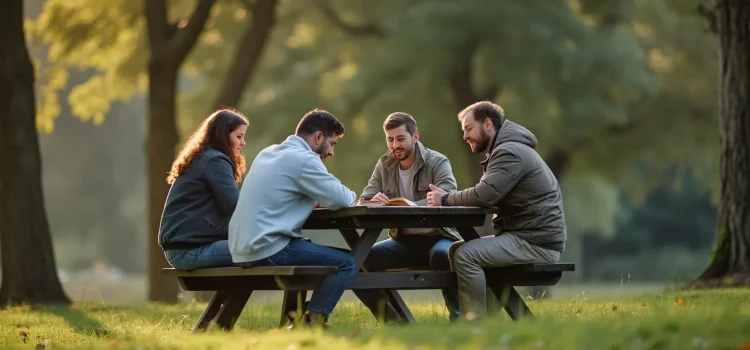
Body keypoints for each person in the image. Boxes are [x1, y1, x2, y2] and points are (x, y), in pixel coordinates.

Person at [425, 101, 567, 319]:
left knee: (466, 254)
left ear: (488, 124)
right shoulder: (506, 150)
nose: (464, 136)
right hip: (526, 237)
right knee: (456, 250)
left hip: (536, 242)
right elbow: (486, 192)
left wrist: (444, 199)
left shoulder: (509, 152)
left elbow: (484, 195)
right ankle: (484, 318)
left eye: (468, 128)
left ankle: (476, 322)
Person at [229, 109, 357, 328]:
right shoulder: (305, 159)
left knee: (308, 249)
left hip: (240, 246)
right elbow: (343, 199)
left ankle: (301, 319)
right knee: (347, 263)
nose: (331, 152)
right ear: (318, 137)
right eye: (332, 144)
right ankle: (314, 321)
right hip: (268, 246)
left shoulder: (269, 152)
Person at [352, 112, 462, 321]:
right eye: (390, 139)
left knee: (443, 256)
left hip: (440, 236)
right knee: (359, 261)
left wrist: (412, 206)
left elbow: (450, 197)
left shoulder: (437, 162)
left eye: (400, 139)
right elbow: (362, 200)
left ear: (415, 137)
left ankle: (460, 318)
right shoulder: (384, 164)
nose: (395, 145)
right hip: (404, 241)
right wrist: (372, 202)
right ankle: (395, 321)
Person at [158, 109, 248, 270]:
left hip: (183, 248)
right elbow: (235, 206)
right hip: (191, 249)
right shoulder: (215, 160)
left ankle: (231, 296)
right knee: (263, 250)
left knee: (259, 248)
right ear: (223, 135)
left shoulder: (204, 158)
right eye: (239, 137)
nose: (243, 143)